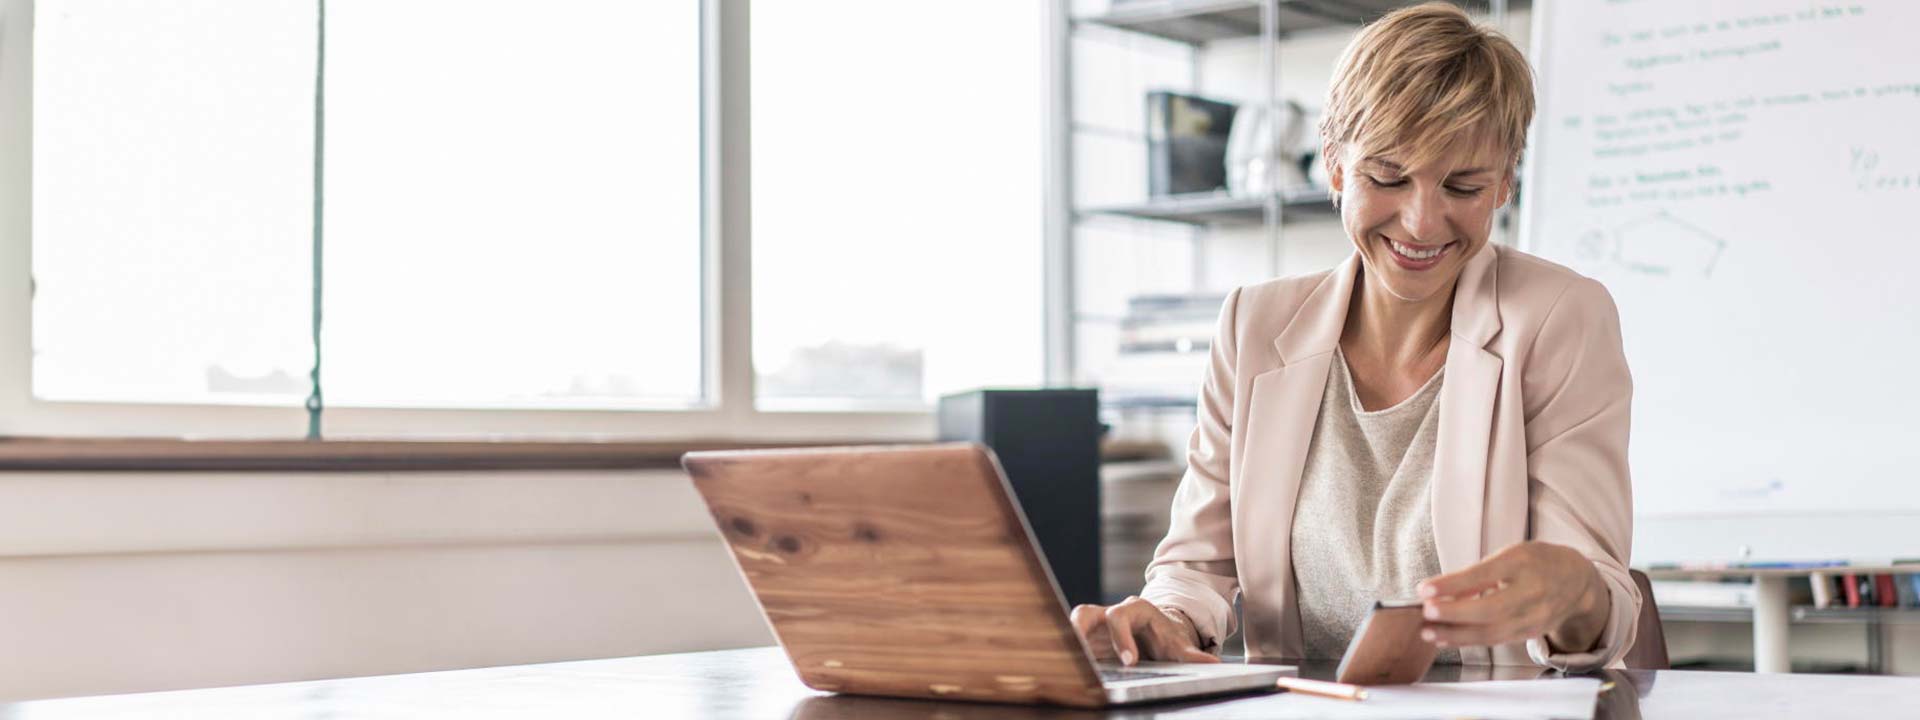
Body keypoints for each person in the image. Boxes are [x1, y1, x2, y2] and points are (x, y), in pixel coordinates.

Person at [1070, 2, 1637, 672]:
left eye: (1463, 184)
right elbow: (1196, 566)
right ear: (1336, 169)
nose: (1423, 223)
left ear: (1506, 181)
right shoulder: (1254, 326)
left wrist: (1572, 590)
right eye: (1387, 177)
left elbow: (1600, 599)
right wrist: (1161, 619)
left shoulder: (1560, 317)